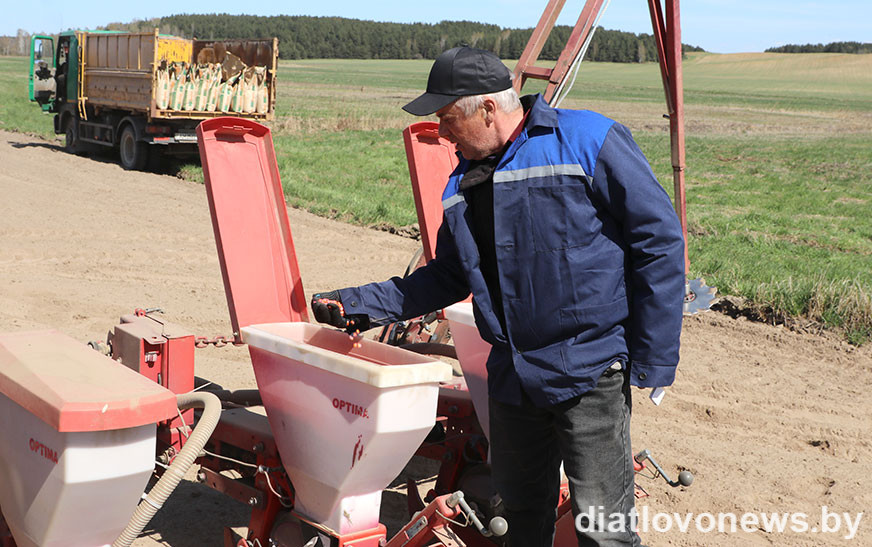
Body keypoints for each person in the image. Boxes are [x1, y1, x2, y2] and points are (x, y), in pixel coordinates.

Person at [311, 46, 685, 547]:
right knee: (518, 521)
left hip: (589, 371)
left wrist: (654, 355)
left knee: (604, 530)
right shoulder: (461, 184)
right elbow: (447, 277)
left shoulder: (587, 140)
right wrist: (358, 304)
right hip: (512, 378)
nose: (442, 132)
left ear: (488, 108)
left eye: (448, 118)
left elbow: (659, 240)